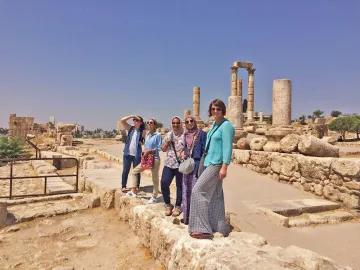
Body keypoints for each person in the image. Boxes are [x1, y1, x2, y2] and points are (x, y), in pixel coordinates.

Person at [188, 99, 235, 239]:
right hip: (208, 162)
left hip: (217, 164)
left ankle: (202, 228)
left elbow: (228, 147)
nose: (215, 111)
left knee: (198, 190)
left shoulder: (227, 126)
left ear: (223, 110)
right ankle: (219, 227)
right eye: (213, 109)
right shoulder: (215, 124)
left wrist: (225, 167)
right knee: (216, 195)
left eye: (218, 109)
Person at [128, 118, 162, 204]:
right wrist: (143, 147)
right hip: (146, 158)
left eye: (151, 123)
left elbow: (159, 147)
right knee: (135, 171)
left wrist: (149, 151)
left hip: (155, 158)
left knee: (155, 179)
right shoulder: (146, 134)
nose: (149, 124)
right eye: (148, 123)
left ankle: (154, 197)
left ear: (154, 125)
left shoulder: (157, 135)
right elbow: (146, 145)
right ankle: (134, 190)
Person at [181, 115, 206, 225]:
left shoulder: (202, 134)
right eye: (187, 122)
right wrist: (182, 153)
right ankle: (186, 217)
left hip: (197, 164)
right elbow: (184, 148)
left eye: (191, 121)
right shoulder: (185, 135)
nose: (190, 123)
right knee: (186, 191)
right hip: (188, 165)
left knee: (195, 192)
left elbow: (205, 150)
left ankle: (195, 219)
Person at [160, 116, 185, 217]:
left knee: (180, 186)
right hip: (169, 163)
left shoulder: (184, 135)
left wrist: (184, 152)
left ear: (180, 123)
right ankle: (168, 204)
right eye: (174, 123)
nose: (175, 125)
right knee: (164, 183)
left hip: (181, 164)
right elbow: (163, 149)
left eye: (177, 123)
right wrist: (167, 142)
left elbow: (188, 148)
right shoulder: (168, 134)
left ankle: (178, 206)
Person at [120, 115, 146, 193]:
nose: (134, 121)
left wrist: (142, 143)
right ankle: (123, 186)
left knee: (137, 171)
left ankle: (136, 187)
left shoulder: (143, 131)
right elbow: (122, 120)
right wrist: (132, 116)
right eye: (134, 120)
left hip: (137, 154)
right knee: (125, 170)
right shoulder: (131, 129)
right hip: (127, 153)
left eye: (136, 120)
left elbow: (145, 141)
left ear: (141, 123)